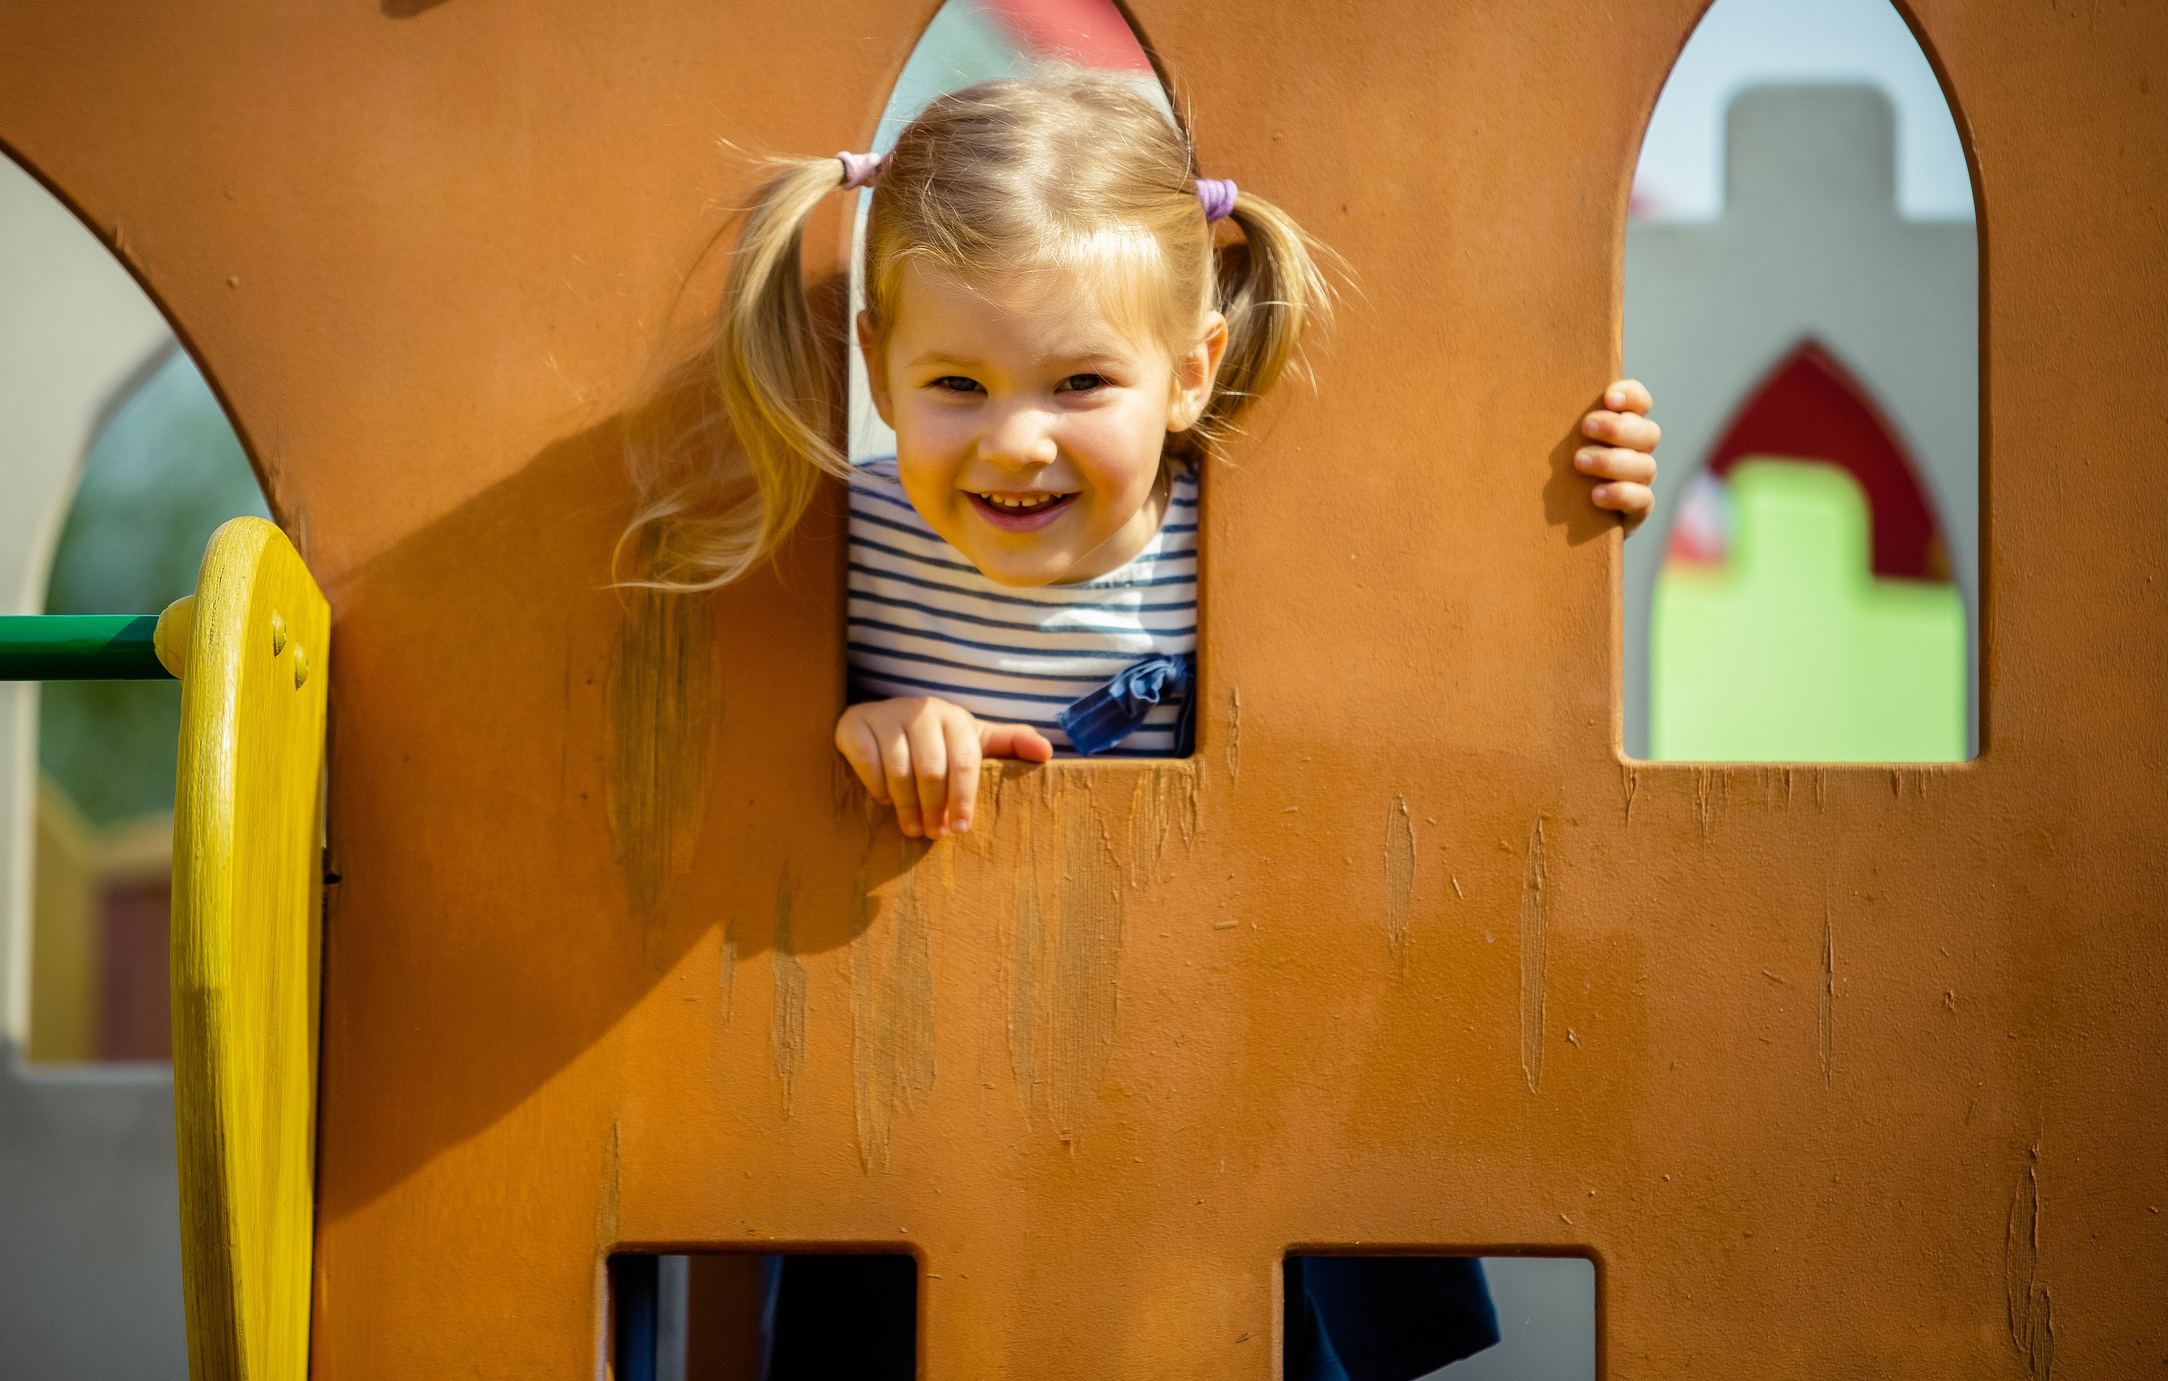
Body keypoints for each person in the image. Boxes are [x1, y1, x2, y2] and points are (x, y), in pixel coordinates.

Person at [623, 69, 1660, 1379]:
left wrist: (1585, 487)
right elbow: (742, 731)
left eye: (1079, 382)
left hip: (1205, 1072)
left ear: (1188, 373)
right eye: (957, 383)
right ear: (877, 366)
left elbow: (1445, 603)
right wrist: (865, 726)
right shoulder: (845, 542)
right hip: (929, 1085)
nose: (1015, 443)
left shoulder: (1246, 542)